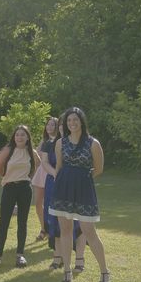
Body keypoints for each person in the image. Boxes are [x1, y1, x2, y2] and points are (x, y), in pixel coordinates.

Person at [49, 107, 110, 282]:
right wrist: (58, 186)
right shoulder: (60, 143)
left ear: (81, 121)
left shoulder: (93, 143)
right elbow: (59, 166)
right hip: (63, 189)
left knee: (89, 231)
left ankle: (105, 271)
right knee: (65, 230)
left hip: (84, 189)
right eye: (69, 121)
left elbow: (98, 169)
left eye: (75, 120)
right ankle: (67, 270)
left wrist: (81, 179)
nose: (72, 123)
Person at [0, 125, 40, 270]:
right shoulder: (8, 150)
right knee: (4, 223)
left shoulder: (31, 152)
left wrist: (28, 177)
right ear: (14, 137)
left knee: (23, 222)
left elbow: (37, 164)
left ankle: (20, 255)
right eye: (17, 135)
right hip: (9, 188)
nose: (20, 137)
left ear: (28, 137)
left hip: (25, 189)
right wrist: (8, 178)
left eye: (23, 135)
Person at [40, 116, 86, 271]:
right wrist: (56, 174)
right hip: (54, 184)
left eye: (63, 124)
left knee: (77, 222)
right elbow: (44, 162)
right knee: (55, 221)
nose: (61, 127)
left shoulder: (76, 143)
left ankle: (79, 259)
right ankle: (57, 257)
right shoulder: (50, 144)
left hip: (74, 186)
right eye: (59, 124)